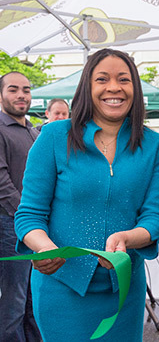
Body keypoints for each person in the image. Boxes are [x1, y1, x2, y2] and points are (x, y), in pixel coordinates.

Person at [14, 49, 159, 341]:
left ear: (135, 88)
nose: (114, 87)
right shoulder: (53, 137)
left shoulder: (156, 146)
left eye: (123, 79)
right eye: (102, 79)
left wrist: (127, 238)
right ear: (88, 87)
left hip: (123, 289)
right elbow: (29, 214)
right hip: (61, 288)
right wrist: (45, 247)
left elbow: (156, 216)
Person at [0, 71, 41, 341]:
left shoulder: (34, 131)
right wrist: (25, 218)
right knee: (13, 300)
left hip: (34, 228)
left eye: (25, 90)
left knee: (33, 298)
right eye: (13, 89)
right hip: (11, 225)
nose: (21, 95)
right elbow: (2, 183)